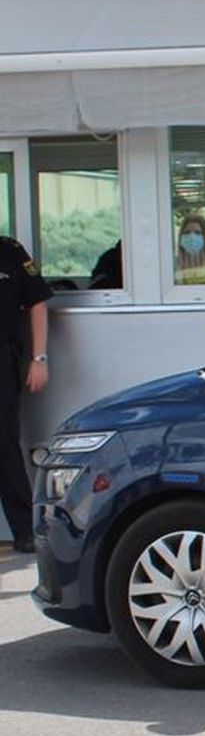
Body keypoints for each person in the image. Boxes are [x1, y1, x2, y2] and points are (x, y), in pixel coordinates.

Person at [0, 235, 50, 553]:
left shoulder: (9, 252)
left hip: (3, 359)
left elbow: (38, 303)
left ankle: (24, 529)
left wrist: (40, 358)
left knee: (4, 443)